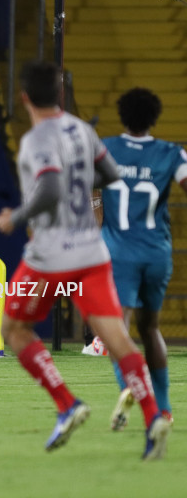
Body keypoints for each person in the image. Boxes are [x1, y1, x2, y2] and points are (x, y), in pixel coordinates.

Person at [0, 61, 170, 460]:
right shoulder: (83, 130)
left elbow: (51, 186)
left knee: (15, 328)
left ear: (24, 98)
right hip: (92, 252)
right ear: (60, 95)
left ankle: (67, 403)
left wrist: (17, 217)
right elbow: (109, 174)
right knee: (118, 339)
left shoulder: (37, 140)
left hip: (49, 255)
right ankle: (153, 414)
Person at [100, 88, 187, 430]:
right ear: (154, 118)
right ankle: (163, 408)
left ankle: (131, 390)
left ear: (122, 115)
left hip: (118, 254)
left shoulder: (104, 149)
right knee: (150, 329)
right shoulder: (172, 153)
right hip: (157, 253)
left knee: (116, 330)